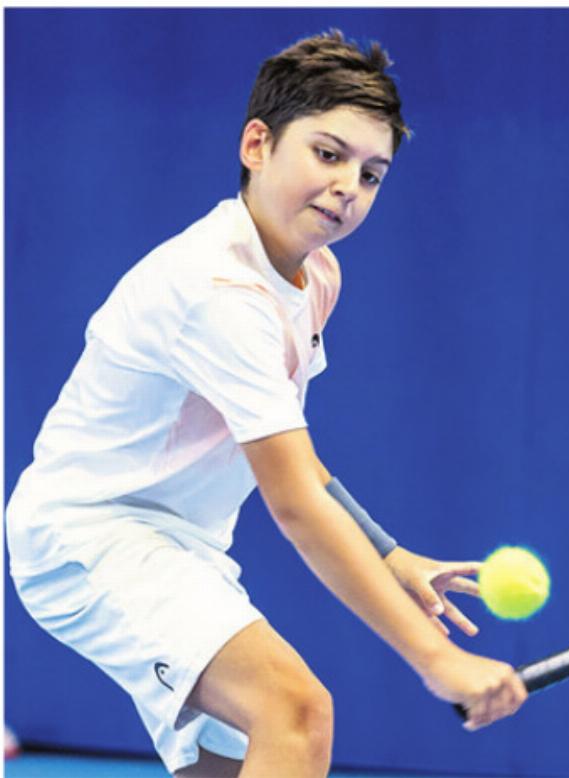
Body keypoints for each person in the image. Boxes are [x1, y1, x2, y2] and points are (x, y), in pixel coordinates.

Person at [6, 29, 527, 778]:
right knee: (295, 710)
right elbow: (294, 506)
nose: (350, 185)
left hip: (181, 549)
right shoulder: (217, 292)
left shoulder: (317, 277)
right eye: (328, 153)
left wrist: (389, 553)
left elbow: (298, 461)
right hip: (90, 540)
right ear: (257, 144)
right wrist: (437, 660)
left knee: (243, 753)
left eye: (373, 173)